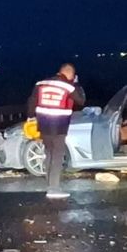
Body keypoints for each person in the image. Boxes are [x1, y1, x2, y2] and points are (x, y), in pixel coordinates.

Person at [27, 63, 85, 199]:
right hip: (59, 125)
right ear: (70, 74)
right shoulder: (69, 86)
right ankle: (54, 189)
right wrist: (76, 84)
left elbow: (32, 101)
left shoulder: (41, 83)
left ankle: (49, 184)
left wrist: (30, 117)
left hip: (43, 124)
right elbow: (81, 101)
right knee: (57, 156)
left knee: (48, 153)